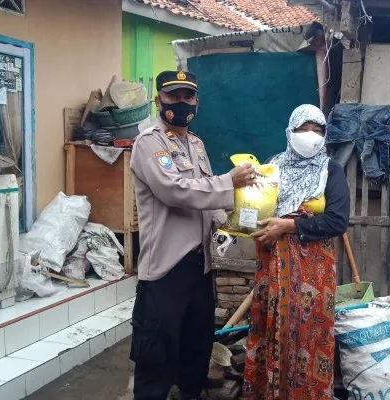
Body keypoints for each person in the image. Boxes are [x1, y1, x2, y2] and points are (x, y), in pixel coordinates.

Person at [129, 70, 256, 400]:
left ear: (197, 101)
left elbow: (209, 205)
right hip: (166, 270)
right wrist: (229, 182)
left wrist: (226, 236)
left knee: (195, 354)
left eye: (188, 96)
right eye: (173, 97)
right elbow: (175, 191)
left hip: (200, 269)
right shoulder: (149, 144)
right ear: (159, 100)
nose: (181, 103)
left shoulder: (196, 144)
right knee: (156, 359)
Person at [243, 104, 350, 399]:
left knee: (309, 336)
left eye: (318, 130)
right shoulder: (272, 167)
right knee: (270, 330)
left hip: (312, 279)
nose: (311, 136)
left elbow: (337, 221)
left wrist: (287, 226)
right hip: (273, 267)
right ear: (290, 132)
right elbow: (255, 207)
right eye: (304, 129)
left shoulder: (331, 170)